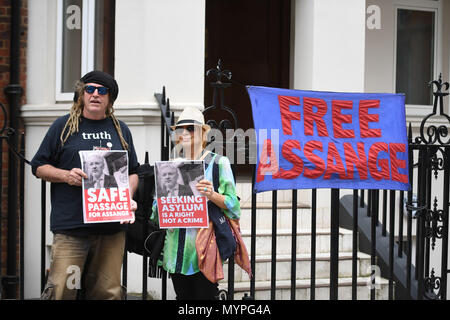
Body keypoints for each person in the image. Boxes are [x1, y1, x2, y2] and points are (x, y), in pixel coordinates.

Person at [31, 70, 140, 300]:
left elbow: (133, 172)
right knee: (62, 291)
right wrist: (65, 175)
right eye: (89, 89)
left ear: (110, 99)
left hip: (111, 229)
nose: (95, 95)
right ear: (81, 94)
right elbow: (39, 166)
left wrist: (127, 198)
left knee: (107, 293)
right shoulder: (63, 127)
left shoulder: (120, 130)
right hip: (72, 228)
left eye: (102, 91)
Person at [150, 107, 251, 300]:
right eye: (180, 129)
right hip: (175, 251)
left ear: (203, 132)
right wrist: (161, 201)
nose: (185, 133)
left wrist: (211, 194)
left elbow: (234, 208)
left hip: (205, 251)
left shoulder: (219, 163)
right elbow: (156, 214)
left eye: (191, 128)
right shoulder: (170, 167)